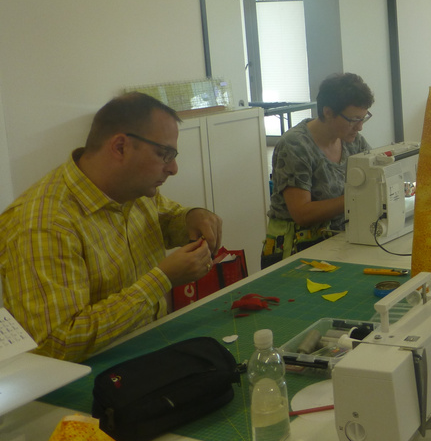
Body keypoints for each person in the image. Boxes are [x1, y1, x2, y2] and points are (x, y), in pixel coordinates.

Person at [0, 93, 223, 363]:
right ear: (120, 147)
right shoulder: (42, 224)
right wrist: (161, 280)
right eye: (164, 154)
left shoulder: (132, 189)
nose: (173, 168)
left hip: (147, 352)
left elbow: (162, 218)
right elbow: (56, 343)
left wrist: (192, 217)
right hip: (89, 379)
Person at [264, 72, 374, 266]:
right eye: (353, 120)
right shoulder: (295, 146)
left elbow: (374, 175)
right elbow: (302, 214)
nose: (359, 127)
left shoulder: (353, 142)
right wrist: (356, 198)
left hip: (338, 242)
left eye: (363, 118)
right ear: (328, 112)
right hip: (295, 251)